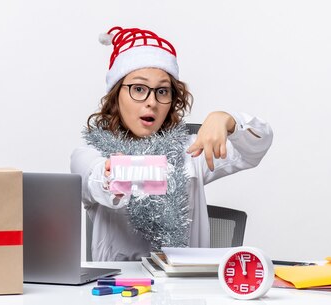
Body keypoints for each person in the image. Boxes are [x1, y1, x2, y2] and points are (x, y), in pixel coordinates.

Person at [71, 26, 273, 261]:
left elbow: (254, 149)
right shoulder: (89, 154)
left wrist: (229, 121)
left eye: (163, 92)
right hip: (119, 291)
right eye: (138, 88)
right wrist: (111, 173)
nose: (151, 102)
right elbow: (95, 179)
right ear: (116, 96)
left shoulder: (191, 151)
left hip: (184, 290)